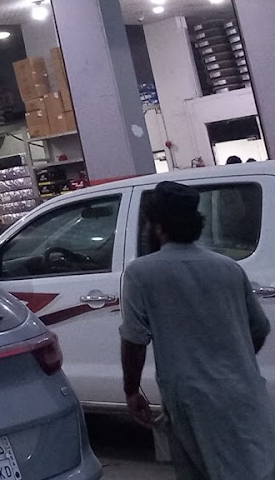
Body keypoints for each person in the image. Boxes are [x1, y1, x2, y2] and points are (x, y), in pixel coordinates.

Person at [120, 180, 275, 479]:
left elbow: (134, 341)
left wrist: (131, 390)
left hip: (190, 400)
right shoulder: (228, 268)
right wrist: (232, 363)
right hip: (244, 391)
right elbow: (258, 329)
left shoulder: (141, 273)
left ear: (157, 226)